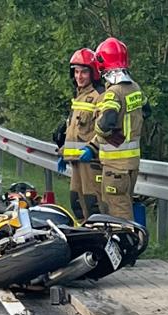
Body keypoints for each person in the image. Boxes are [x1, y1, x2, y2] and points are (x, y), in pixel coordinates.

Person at [89, 37, 143, 220]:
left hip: (115, 166)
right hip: (132, 164)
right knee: (125, 202)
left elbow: (106, 123)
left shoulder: (113, 92)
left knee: (118, 212)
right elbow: (147, 111)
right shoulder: (135, 88)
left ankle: (126, 245)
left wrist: (102, 132)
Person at [55, 48, 102, 218]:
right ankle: (83, 243)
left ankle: (97, 243)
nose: (79, 76)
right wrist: (63, 153)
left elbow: (104, 130)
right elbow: (73, 131)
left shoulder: (99, 97)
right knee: (76, 204)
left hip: (92, 164)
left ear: (93, 73)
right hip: (75, 163)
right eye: (76, 72)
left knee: (93, 207)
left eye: (83, 72)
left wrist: (92, 149)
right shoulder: (79, 97)